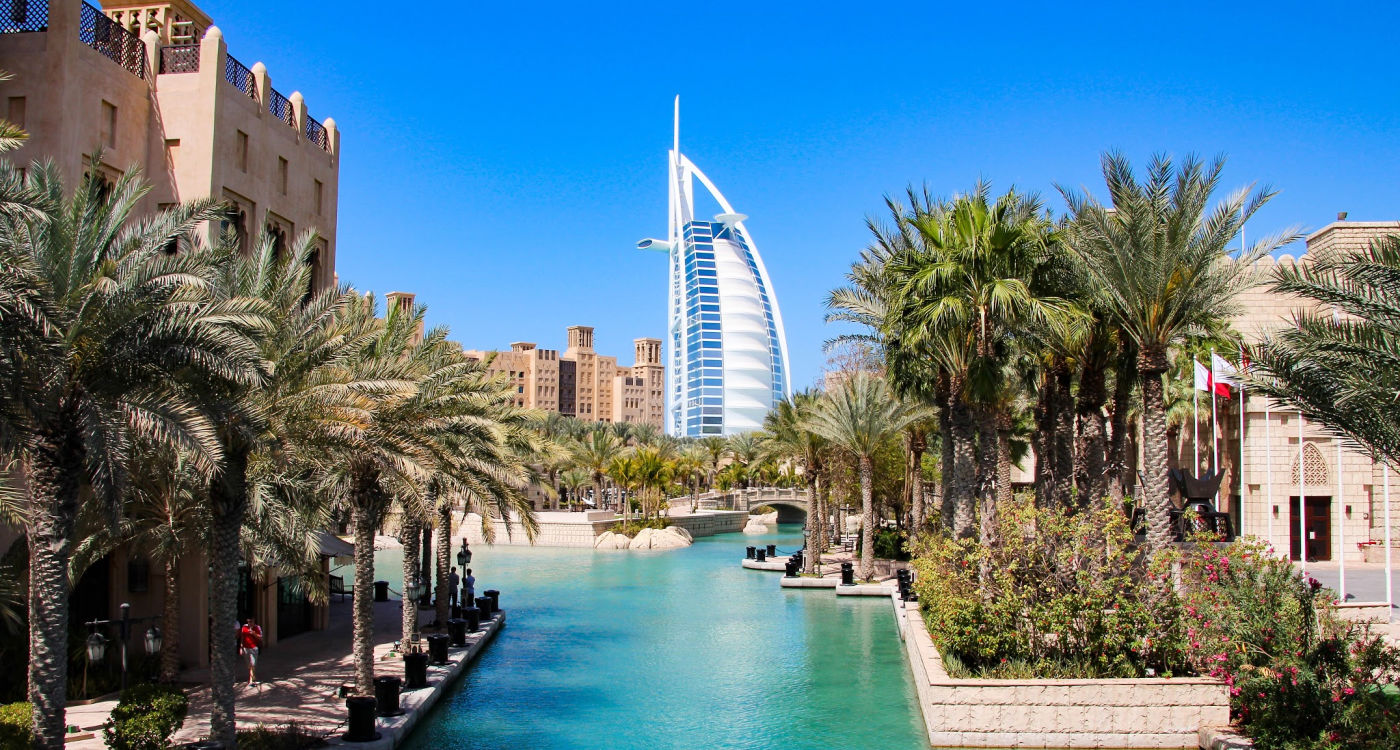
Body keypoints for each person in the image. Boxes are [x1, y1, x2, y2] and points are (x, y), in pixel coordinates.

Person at [239, 617, 263, 686]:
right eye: (249, 622)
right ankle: (253, 676)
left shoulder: (257, 628)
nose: (250, 623)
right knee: (249, 665)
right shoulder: (244, 627)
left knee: (253, 664)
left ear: (254, 621)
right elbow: (242, 638)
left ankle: (251, 680)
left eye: (251, 621)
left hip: (254, 648)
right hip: (246, 648)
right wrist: (241, 647)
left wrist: (254, 633)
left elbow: (261, 638)